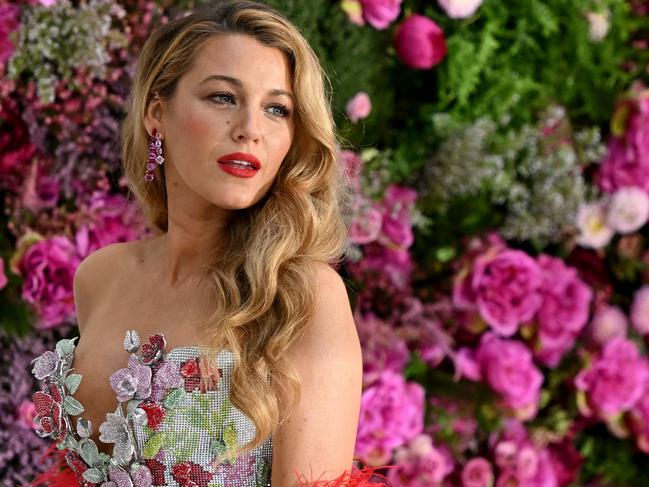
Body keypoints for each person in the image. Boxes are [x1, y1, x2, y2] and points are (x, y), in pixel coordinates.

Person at [29, 1, 385, 485]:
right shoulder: (100, 276)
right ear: (157, 113)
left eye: (277, 109)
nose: (250, 130)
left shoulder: (305, 296)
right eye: (223, 98)